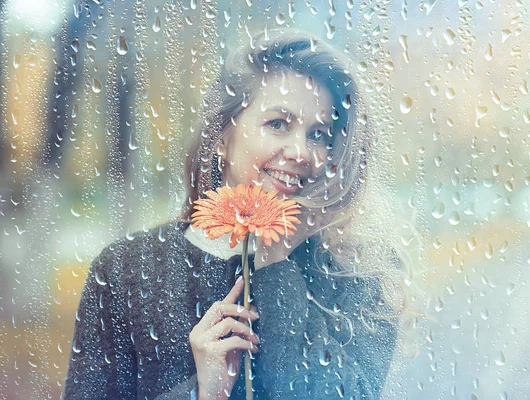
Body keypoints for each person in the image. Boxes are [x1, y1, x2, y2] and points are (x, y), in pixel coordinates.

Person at [64, 28, 407, 399]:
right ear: (222, 136)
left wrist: (277, 255)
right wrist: (202, 394)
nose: (301, 152)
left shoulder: (359, 272)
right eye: (278, 124)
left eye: (319, 134)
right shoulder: (127, 270)